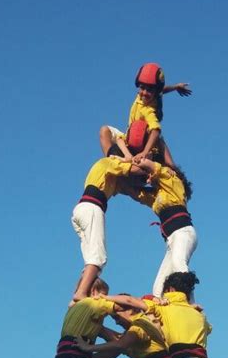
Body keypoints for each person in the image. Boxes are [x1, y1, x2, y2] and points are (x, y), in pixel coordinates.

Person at [71, 156, 147, 299]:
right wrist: (150, 167)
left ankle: (83, 291)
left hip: (82, 209)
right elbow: (135, 169)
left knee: (90, 259)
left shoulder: (109, 175)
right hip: (92, 208)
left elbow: (132, 191)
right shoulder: (109, 162)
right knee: (98, 258)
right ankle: (80, 293)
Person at [99, 62, 191, 168]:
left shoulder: (148, 110)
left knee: (169, 162)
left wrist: (145, 152)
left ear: (155, 92)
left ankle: (171, 172)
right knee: (104, 130)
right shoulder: (143, 96)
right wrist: (175, 87)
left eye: (149, 90)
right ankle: (112, 167)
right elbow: (162, 90)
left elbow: (156, 130)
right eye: (142, 88)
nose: (144, 93)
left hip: (144, 145)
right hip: (129, 139)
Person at [131, 158, 197, 296]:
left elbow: (150, 165)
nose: (148, 179)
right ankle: (160, 314)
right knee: (158, 287)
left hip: (183, 232)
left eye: (148, 176)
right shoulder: (158, 196)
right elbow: (134, 192)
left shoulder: (172, 179)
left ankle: (191, 306)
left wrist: (131, 159)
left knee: (179, 265)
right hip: (171, 240)